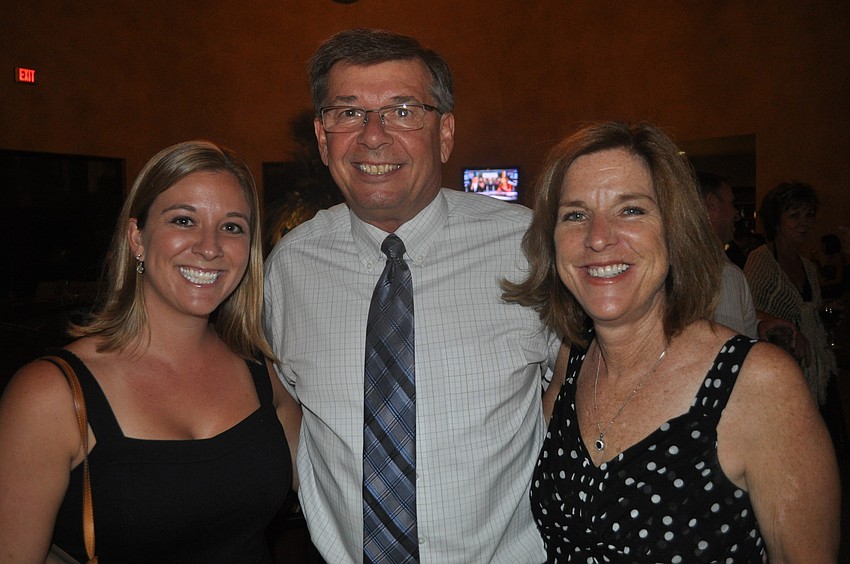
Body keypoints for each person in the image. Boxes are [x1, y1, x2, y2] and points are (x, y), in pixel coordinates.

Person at [263, 28, 558, 563]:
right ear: (323, 138)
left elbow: (581, 388)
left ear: (444, 133)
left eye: (402, 111)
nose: (373, 136)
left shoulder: (529, 248)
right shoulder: (289, 269)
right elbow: (284, 410)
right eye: (348, 113)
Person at [503, 121, 839, 562]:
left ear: (675, 229)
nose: (598, 237)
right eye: (575, 215)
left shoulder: (759, 384)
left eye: (631, 210)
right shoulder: (574, 357)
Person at [0, 140, 300, 562]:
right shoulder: (50, 394)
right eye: (184, 220)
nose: (210, 247)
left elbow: (334, 490)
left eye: (232, 227)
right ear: (137, 237)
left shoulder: (258, 369)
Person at [744, 182, 837, 405]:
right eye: (794, 215)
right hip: (780, 366)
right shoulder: (761, 260)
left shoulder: (808, 266)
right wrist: (782, 324)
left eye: (809, 215)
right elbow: (746, 310)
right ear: (776, 221)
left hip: (815, 364)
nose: (804, 223)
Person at [696, 171, 758, 338]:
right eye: (731, 203)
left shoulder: (675, 262)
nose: (736, 214)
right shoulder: (723, 274)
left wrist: (760, 323)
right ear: (711, 204)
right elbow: (727, 346)